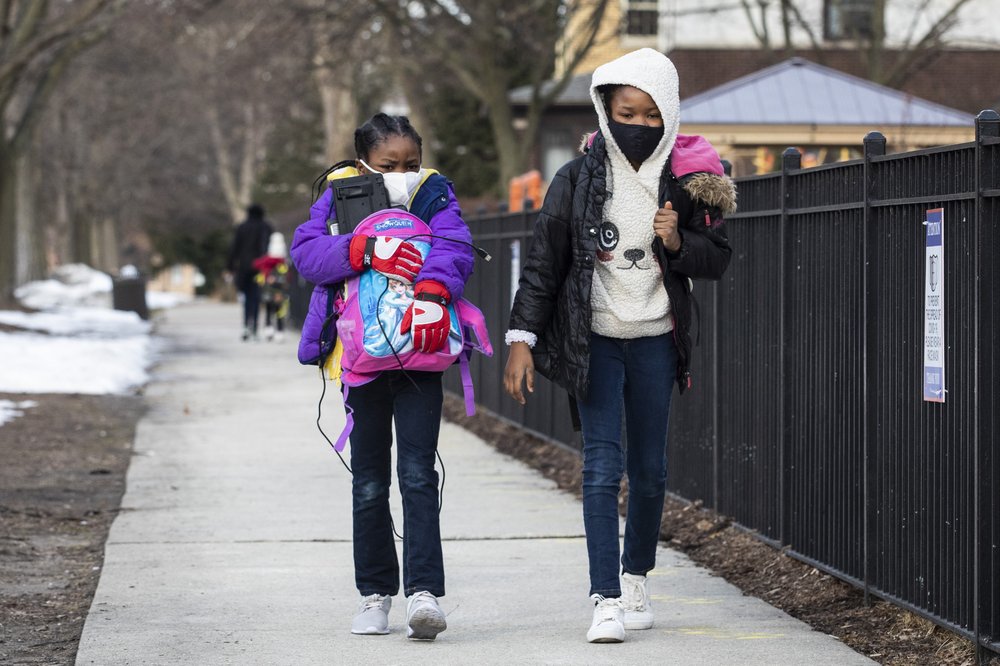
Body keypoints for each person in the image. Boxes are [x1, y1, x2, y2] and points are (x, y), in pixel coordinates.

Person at [503, 48, 736, 643]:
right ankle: (605, 598)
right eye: (626, 112)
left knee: (651, 471)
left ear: (670, 116)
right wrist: (521, 338)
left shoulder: (685, 180)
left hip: (658, 340)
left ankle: (636, 580)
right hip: (596, 341)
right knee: (602, 468)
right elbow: (543, 263)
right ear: (606, 111)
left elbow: (719, 259)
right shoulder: (577, 178)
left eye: (651, 116)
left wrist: (679, 241)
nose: (638, 125)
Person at [290, 113, 474, 640]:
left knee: (419, 474)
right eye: (389, 165)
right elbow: (307, 254)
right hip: (359, 358)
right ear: (362, 160)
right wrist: (364, 250)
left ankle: (424, 593)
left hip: (422, 351)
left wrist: (436, 288)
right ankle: (374, 594)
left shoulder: (434, 192)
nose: (402, 174)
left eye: (411, 163)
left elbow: (456, 245)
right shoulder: (340, 193)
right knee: (369, 481)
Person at [227, 203, 273, 341]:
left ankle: (246, 325)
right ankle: (254, 328)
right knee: (257, 297)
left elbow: (234, 247)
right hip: (261, 268)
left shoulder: (242, 227)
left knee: (247, 298)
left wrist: (230, 267)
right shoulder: (266, 227)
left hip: (244, 268)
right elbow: (269, 247)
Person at [252, 232, 290, 342]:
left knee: (270, 309)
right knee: (279, 311)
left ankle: (270, 328)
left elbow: (256, 264)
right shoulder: (283, 262)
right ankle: (279, 330)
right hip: (279, 289)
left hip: (269, 288)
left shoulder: (266, 261)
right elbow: (287, 276)